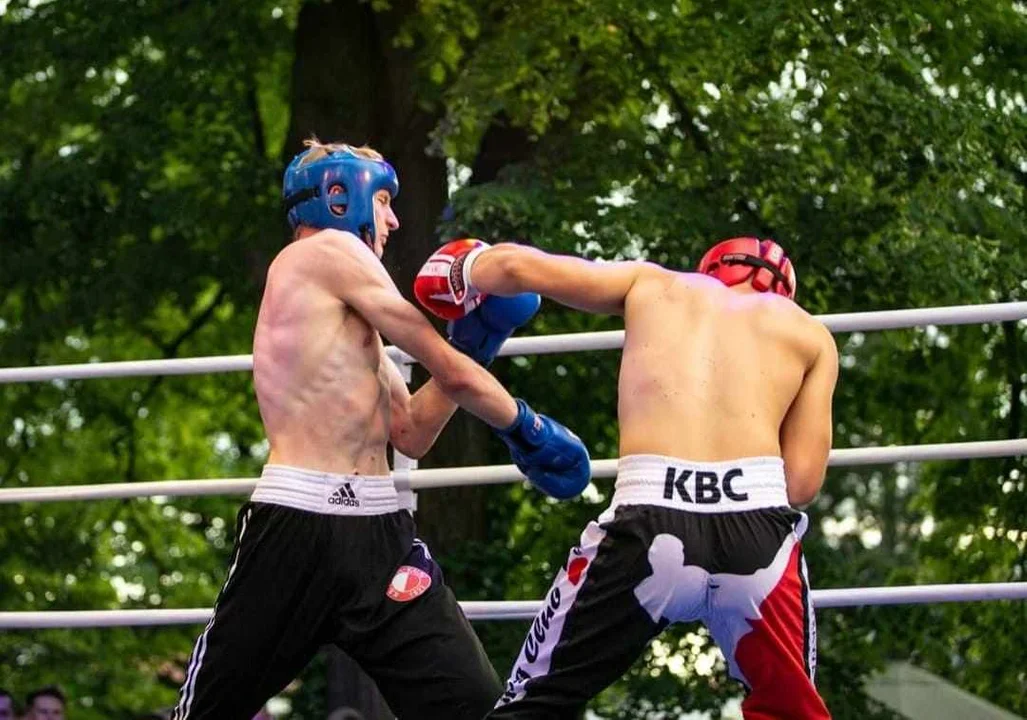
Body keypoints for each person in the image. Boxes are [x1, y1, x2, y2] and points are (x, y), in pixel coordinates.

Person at [171, 140, 590, 720]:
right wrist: (525, 425)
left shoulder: (347, 316)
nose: (393, 219)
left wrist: (476, 346)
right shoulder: (326, 251)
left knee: (471, 707)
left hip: (380, 537)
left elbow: (411, 431)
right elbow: (446, 369)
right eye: (386, 200)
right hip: (299, 530)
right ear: (339, 196)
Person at [415, 236, 838, 718]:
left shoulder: (653, 283)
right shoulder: (810, 334)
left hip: (648, 523)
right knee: (794, 712)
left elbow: (518, 265)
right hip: (758, 537)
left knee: (534, 704)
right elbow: (801, 485)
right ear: (784, 292)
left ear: (710, 268)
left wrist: (463, 270)